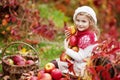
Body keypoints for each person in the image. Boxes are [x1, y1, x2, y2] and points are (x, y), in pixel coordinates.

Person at [52, 6, 100, 78]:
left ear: (90, 23)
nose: (80, 24)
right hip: (77, 63)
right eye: (78, 20)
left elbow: (80, 58)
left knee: (56, 68)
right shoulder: (82, 32)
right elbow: (74, 46)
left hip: (82, 68)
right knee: (54, 63)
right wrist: (70, 37)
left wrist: (66, 49)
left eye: (84, 21)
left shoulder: (87, 38)